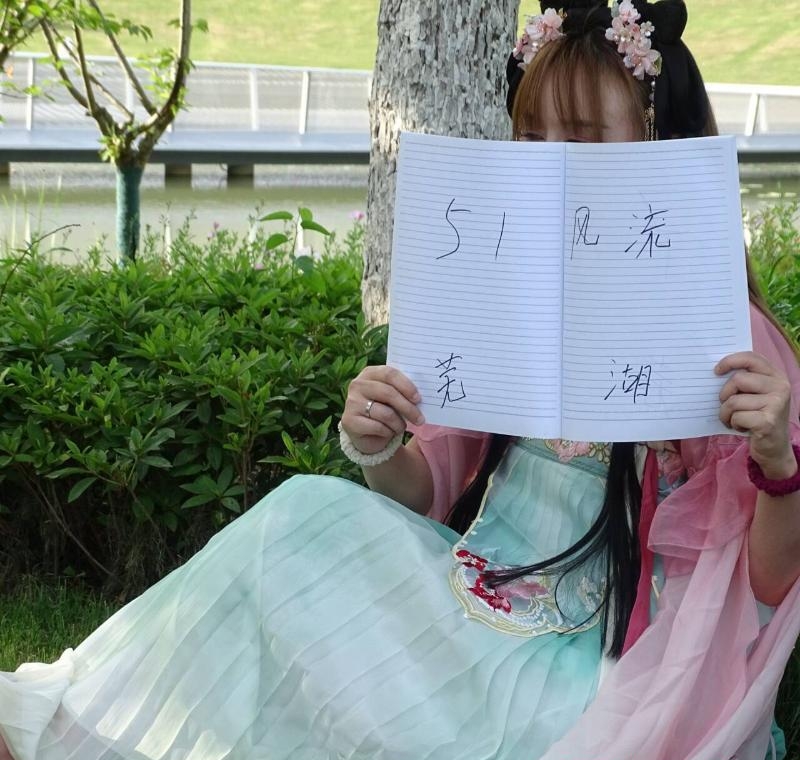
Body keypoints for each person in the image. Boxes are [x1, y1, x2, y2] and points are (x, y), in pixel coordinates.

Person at [2, 2, 800, 759]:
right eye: (532, 136)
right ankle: (67, 725)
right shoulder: (506, 286)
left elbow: (768, 581)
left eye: (585, 137)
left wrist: (775, 459)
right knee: (302, 515)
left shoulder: (721, 334)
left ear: (660, 142)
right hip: (472, 590)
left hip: (597, 663)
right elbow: (421, 493)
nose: (551, 159)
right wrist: (380, 442)